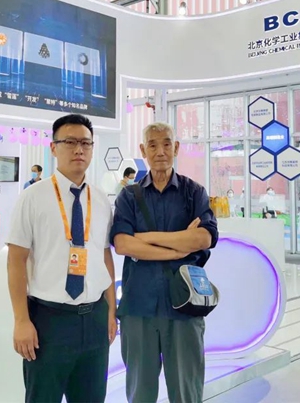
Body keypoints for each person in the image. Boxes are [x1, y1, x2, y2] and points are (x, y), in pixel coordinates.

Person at [7, 114, 117, 403]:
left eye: (85, 143)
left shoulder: (101, 200)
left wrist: (111, 309)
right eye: (70, 142)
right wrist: (21, 320)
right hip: (48, 321)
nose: (79, 149)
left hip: (94, 318)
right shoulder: (32, 197)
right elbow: (16, 260)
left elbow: (104, 255)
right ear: (54, 147)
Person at [111, 122, 218, 403]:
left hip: (184, 306)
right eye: (153, 145)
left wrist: (146, 240)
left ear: (176, 147)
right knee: (140, 393)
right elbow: (123, 244)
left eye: (167, 144)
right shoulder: (129, 196)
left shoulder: (194, 192)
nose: (160, 151)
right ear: (143, 150)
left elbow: (203, 239)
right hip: (139, 308)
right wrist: (178, 247)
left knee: (186, 392)